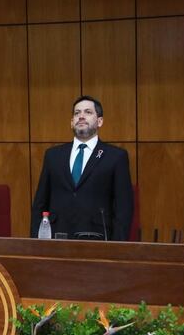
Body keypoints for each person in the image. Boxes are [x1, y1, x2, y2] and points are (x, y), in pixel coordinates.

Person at [30, 96, 133, 240]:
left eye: (88, 112)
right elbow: (40, 203)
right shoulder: (53, 156)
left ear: (100, 121)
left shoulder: (115, 157)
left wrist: (117, 248)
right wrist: (36, 241)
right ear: (72, 123)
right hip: (57, 237)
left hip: (97, 239)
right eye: (77, 113)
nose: (81, 116)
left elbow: (124, 208)